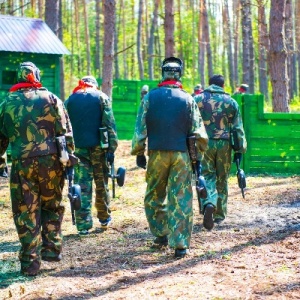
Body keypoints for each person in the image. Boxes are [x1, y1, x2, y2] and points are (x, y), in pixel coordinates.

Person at [0, 61, 77, 276]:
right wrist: (69, 159)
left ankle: (30, 264)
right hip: (51, 162)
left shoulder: (7, 102)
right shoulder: (52, 98)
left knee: (25, 211)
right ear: (36, 75)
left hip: (22, 163)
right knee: (51, 204)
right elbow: (66, 131)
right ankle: (52, 250)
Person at [131, 57, 208, 258]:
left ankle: (161, 233)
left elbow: (140, 129)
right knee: (181, 198)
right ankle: (180, 244)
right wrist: (197, 157)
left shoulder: (150, 98)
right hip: (181, 155)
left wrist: (139, 152)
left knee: (154, 196)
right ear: (179, 74)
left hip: (157, 154)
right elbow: (199, 133)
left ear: (162, 73)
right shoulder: (188, 99)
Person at [64, 76, 118, 235]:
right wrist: (112, 148)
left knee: (82, 185)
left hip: (78, 148)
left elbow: (65, 126)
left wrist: (68, 150)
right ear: (94, 85)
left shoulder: (70, 100)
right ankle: (104, 218)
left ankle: (83, 225)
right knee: (102, 183)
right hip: (99, 148)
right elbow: (109, 124)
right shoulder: (102, 97)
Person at [194, 74, 247, 230]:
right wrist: (239, 149)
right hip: (224, 144)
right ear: (223, 86)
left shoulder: (198, 100)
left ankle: (208, 203)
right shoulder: (231, 102)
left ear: (209, 84)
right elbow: (238, 129)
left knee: (206, 176)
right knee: (222, 179)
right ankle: (219, 215)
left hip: (204, 143)